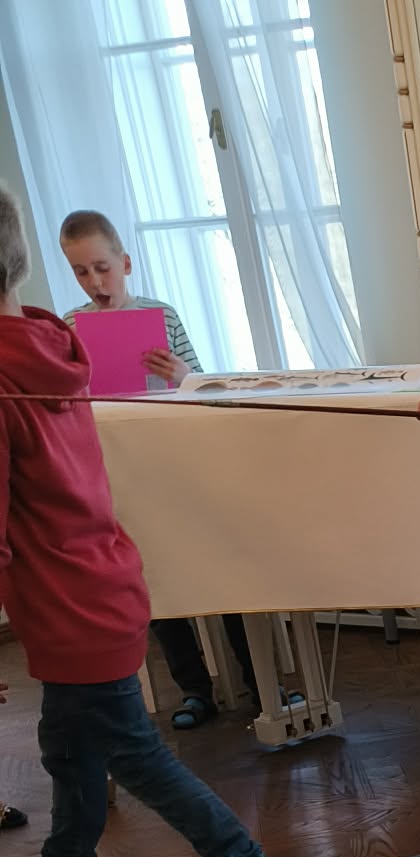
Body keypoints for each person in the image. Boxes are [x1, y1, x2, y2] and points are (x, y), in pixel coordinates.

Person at [0, 189, 298, 857]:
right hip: (92, 585)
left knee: (131, 753)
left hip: (72, 604)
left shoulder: (14, 367)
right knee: (68, 742)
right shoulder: (48, 343)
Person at [60, 208, 258, 731]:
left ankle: (259, 683)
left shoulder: (161, 316)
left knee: (221, 574)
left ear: (125, 263)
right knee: (156, 584)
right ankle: (194, 689)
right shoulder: (70, 328)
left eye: (103, 268)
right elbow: (67, 408)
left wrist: (183, 375)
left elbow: (204, 388)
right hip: (121, 476)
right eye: (81, 272)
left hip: (175, 466)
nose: (95, 282)